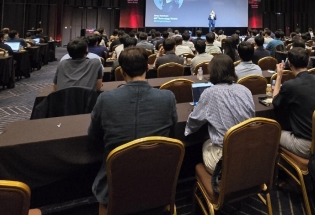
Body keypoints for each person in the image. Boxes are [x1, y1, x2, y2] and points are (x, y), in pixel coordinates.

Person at [88, 47, 177, 205]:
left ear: (121, 72)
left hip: (114, 190)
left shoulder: (105, 99)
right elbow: (173, 131)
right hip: (159, 186)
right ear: (147, 68)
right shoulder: (167, 97)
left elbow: (94, 136)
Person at [185, 54, 255, 172]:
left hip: (224, 159)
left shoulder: (210, 93)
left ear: (212, 71)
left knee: (204, 142)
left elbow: (194, 122)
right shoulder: (245, 90)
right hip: (248, 152)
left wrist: (187, 130)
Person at [272, 47, 315, 158]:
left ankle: (276, 172)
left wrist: (279, 76)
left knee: (271, 132)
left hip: (306, 145)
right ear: (308, 61)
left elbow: (275, 101)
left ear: (289, 63)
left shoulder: (290, 86)